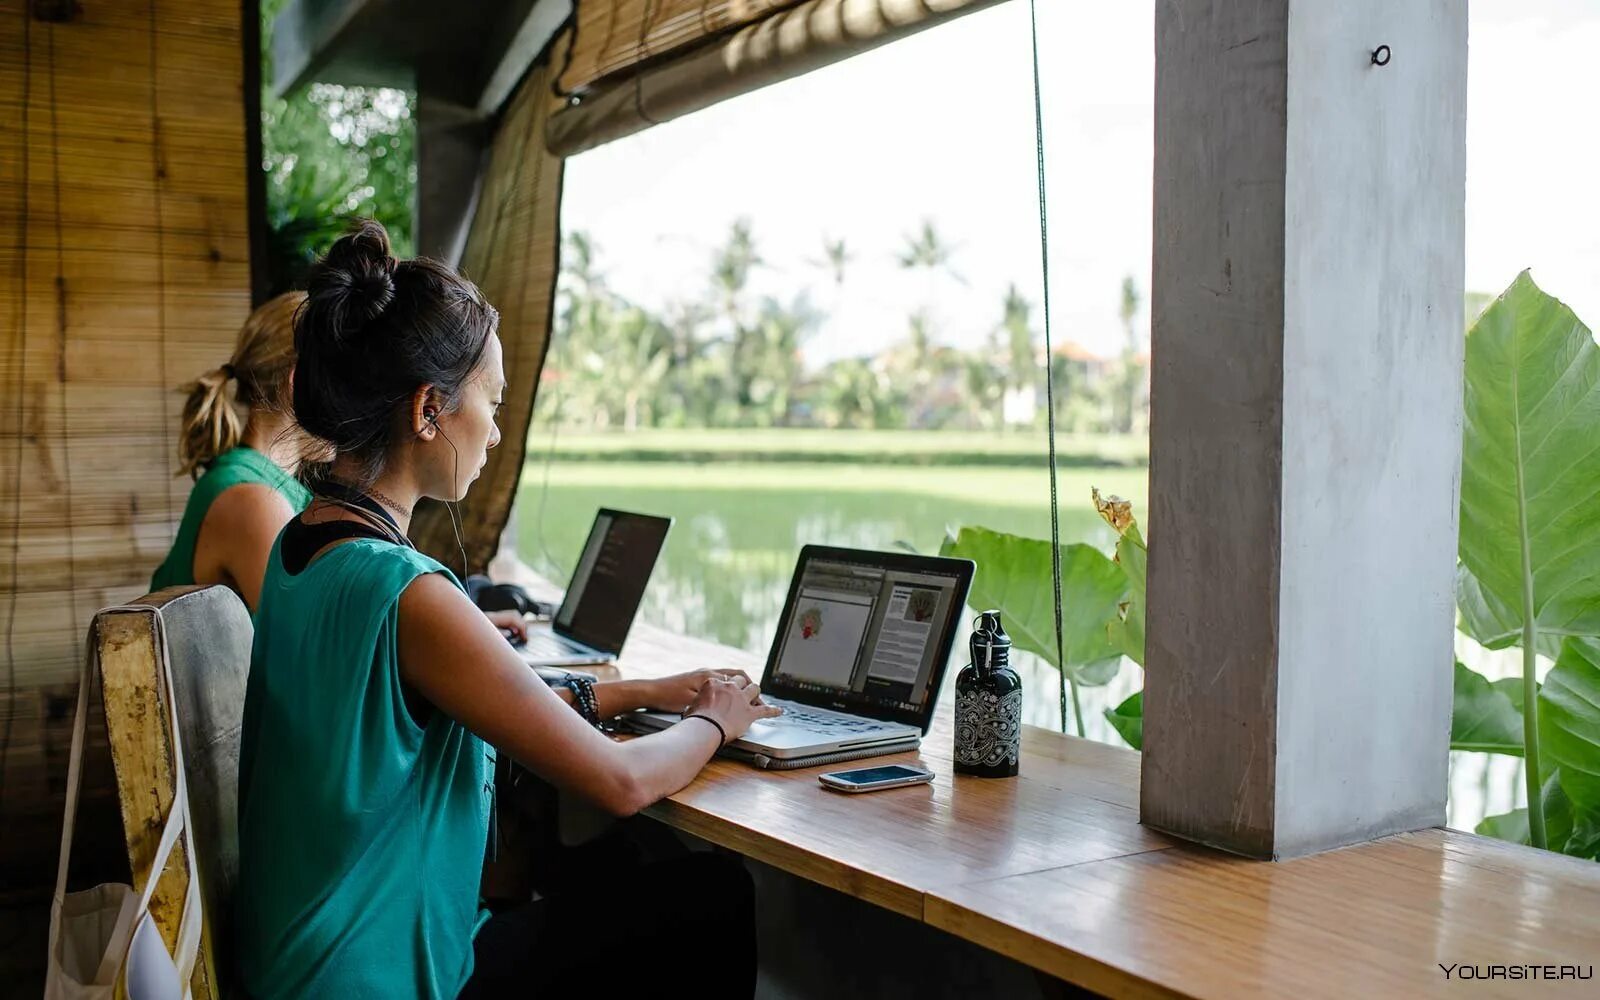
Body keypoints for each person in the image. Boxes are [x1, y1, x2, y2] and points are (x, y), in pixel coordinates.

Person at [234, 220, 779, 999]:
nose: (495, 432)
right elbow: (621, 782)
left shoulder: (301, 549)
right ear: (429, 410)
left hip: (301, 966)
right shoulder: (407, 591)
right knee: (713, 896)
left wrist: (648, 692)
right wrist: (716, 720)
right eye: (491, 403)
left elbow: (475, 704)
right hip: (376, 981)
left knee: (625, 881)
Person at [149, 292, 314, 610]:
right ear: (302, 382)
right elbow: (312, 651)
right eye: (346, 384)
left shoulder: (252, 482)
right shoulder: (254, 502)